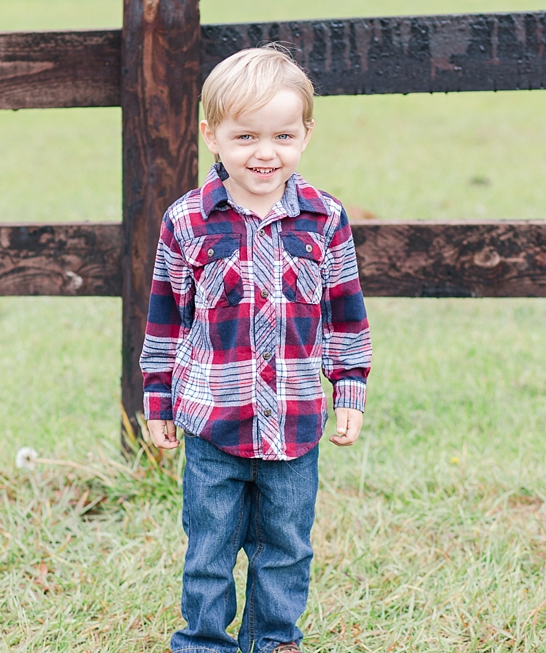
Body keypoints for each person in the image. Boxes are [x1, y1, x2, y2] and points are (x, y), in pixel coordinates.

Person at [140, 45, 372, 653]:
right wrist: (158, 401)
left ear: (306, 134)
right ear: (211, 135)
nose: (265, 153)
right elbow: (165, 320)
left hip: (294, 424)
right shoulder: (186, 222)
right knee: (210, 546)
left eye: (282, 136)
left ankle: (273, 641)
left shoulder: (325, 221)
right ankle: (205, 642)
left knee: (287, 546)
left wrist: (349, 386)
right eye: (245, 136)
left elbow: (345, 313)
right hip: (213, 423)